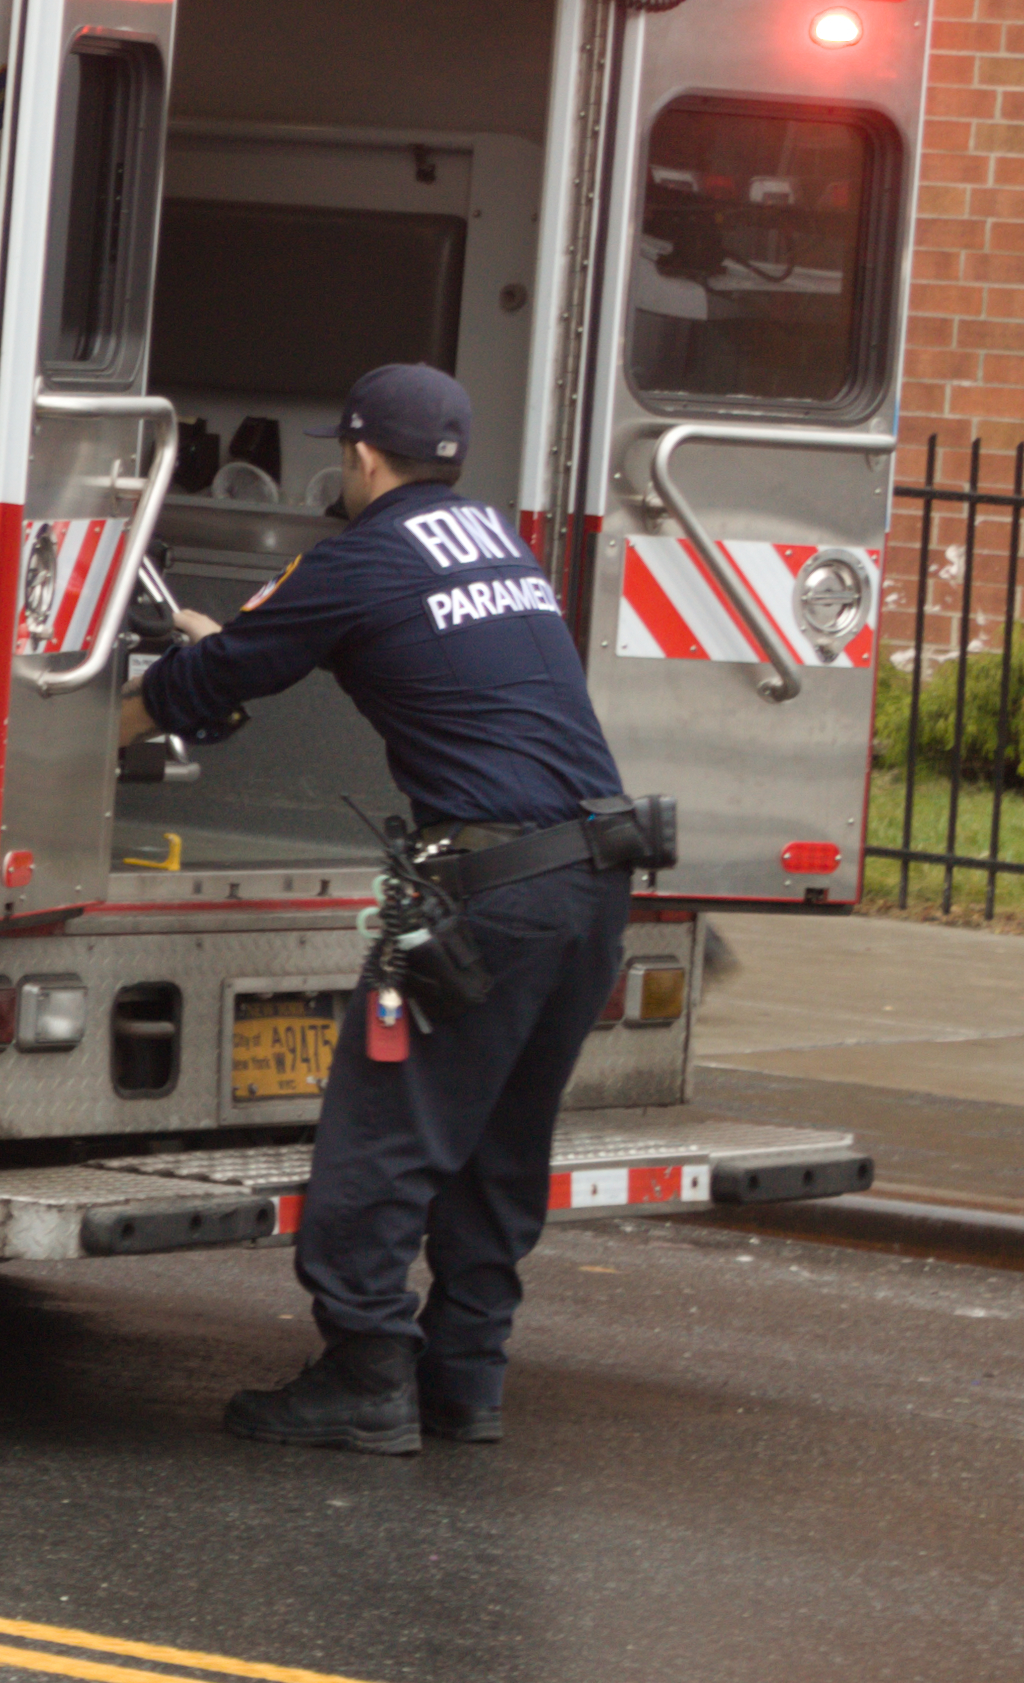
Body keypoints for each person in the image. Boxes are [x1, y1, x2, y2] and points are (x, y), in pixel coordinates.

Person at [124, 362, 640, 1456]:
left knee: (383, 1138)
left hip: (489, 896)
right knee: (500, 1144)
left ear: (360, 455)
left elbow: (200, 688)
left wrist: (87, 730)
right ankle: (465, 1381)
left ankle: (364, 1373)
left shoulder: (355, 558)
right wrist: (231, 645)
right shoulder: (498, 541)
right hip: (595, 875)